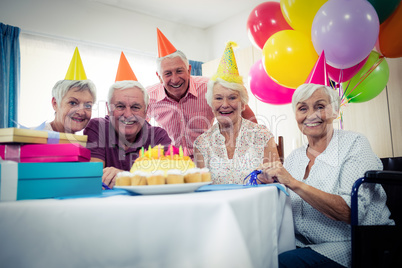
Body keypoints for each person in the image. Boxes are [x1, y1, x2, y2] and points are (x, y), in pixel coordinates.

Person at [258, 83, 394, 268]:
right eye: (302, 108)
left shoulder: (354, 144)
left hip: (354, 242)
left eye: (320, 107)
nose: (311, 115)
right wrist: (270, 185)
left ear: (334, 112)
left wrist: (293, 182)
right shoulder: (294, 158)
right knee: (258, 254)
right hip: (305, 243)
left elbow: (351, 212)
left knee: (282, 263)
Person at [146, 29, 257, 158]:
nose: (175, 79)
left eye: (179, 71)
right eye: (168, 73)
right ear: (159, 77)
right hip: (171, 164)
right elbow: (137, 126)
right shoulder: (148, 97)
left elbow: (243, 109)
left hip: (208, 160)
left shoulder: (209, 87)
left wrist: (254, 142)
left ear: (189, 70)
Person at [193, 41, 279, 184]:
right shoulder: (201, 143)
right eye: (218, 98)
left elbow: (277, 182)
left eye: (232, 97)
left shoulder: (262, 136)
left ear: (243, 102)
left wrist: (268, 178)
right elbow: (201, 190)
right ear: (211, 103)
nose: (225, 105)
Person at [84, 52, 171, 188]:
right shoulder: (97, 127)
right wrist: (138, 179)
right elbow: (95, 179)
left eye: (136, 107)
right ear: (108, 108)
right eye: (120, 106)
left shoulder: (158, 136)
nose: (128, 114)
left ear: (146, 111)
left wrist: (123, 177)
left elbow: (165, 180)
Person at [45, 47, 96, 133]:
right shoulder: (29, 138)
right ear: (55, 104)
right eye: (73, 103)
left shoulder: (85, 144)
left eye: (88, 106)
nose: (81, 112)